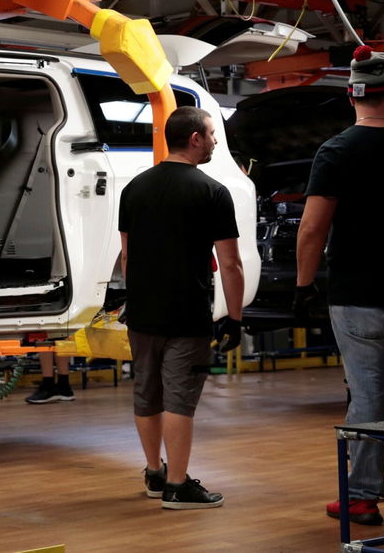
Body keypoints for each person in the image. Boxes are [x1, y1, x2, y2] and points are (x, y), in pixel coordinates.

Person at [296, 45, 384, 528]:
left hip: (356, 296)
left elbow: (313, 228)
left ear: (351, 97)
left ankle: (361, 497)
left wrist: (303, 284)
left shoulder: (336, 151)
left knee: (367, 398)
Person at [119, 106, 244, 510]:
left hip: (141, 312)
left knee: (146, 392)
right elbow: (231, 263)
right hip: (187, 314)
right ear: (194, 139)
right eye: (211, 135)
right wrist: (236, 318)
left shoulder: (133, 188)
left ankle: (155, 472)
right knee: (180, 398)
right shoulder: (213, 192)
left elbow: (126, 256)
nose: (214, 142)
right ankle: (177, 486)